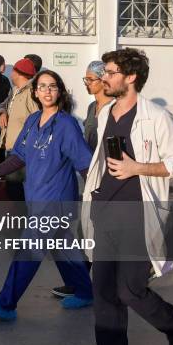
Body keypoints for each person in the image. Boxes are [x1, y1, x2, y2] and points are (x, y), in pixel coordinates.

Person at [82, 48, 173, 345]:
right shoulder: (105, 113)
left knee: (129, 291)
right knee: (103, 295)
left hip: (137, 214)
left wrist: (137, 167)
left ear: (130, 77)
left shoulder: (155, 116)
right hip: (104, 211)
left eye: (111, 72)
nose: (104, 77)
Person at [0, 69, 94, 321]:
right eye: (42, 86)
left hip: (57, 200)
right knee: (63, 247)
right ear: (35, 92)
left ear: (60, 91)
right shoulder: (33, 121)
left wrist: (100, 193)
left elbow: (84, 163)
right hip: (36, 197)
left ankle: (6, 304)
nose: (47, 91)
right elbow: (20, 155)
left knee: (28, 251)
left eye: (52, 86)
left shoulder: (66, 125)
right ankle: (86, 291)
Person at [51, 61, 112, 299]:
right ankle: (80, 281)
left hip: (109, 180)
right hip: (89, 179)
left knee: (103, 232)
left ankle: (106, 283)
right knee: (85, 231)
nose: (86, 83)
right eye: (85, 79)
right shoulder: (90, 108)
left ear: (103, 80)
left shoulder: (115, 109)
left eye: (90, 79)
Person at [0, 58, 39, 200]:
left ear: (18, 73)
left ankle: (25, 221)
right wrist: (2, 113)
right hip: (12, 148)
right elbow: (3, 105)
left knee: (19, 192)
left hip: (24, 152)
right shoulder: (14, 91)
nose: (10, 73)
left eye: (13, 70)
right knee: (13, 191)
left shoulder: (32, 93)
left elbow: (39, 120)